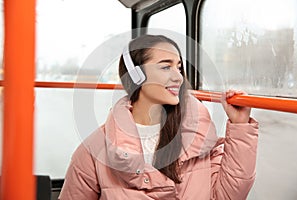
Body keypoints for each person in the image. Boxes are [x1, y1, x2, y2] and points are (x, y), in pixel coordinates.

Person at [59, 34, 259, 199]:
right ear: (136, 76)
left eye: (178, 67)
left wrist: (239, 125)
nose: (178, 77)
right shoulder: (93, 150)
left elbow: (228, 195)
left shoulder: (199, 137)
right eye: (165, 67)